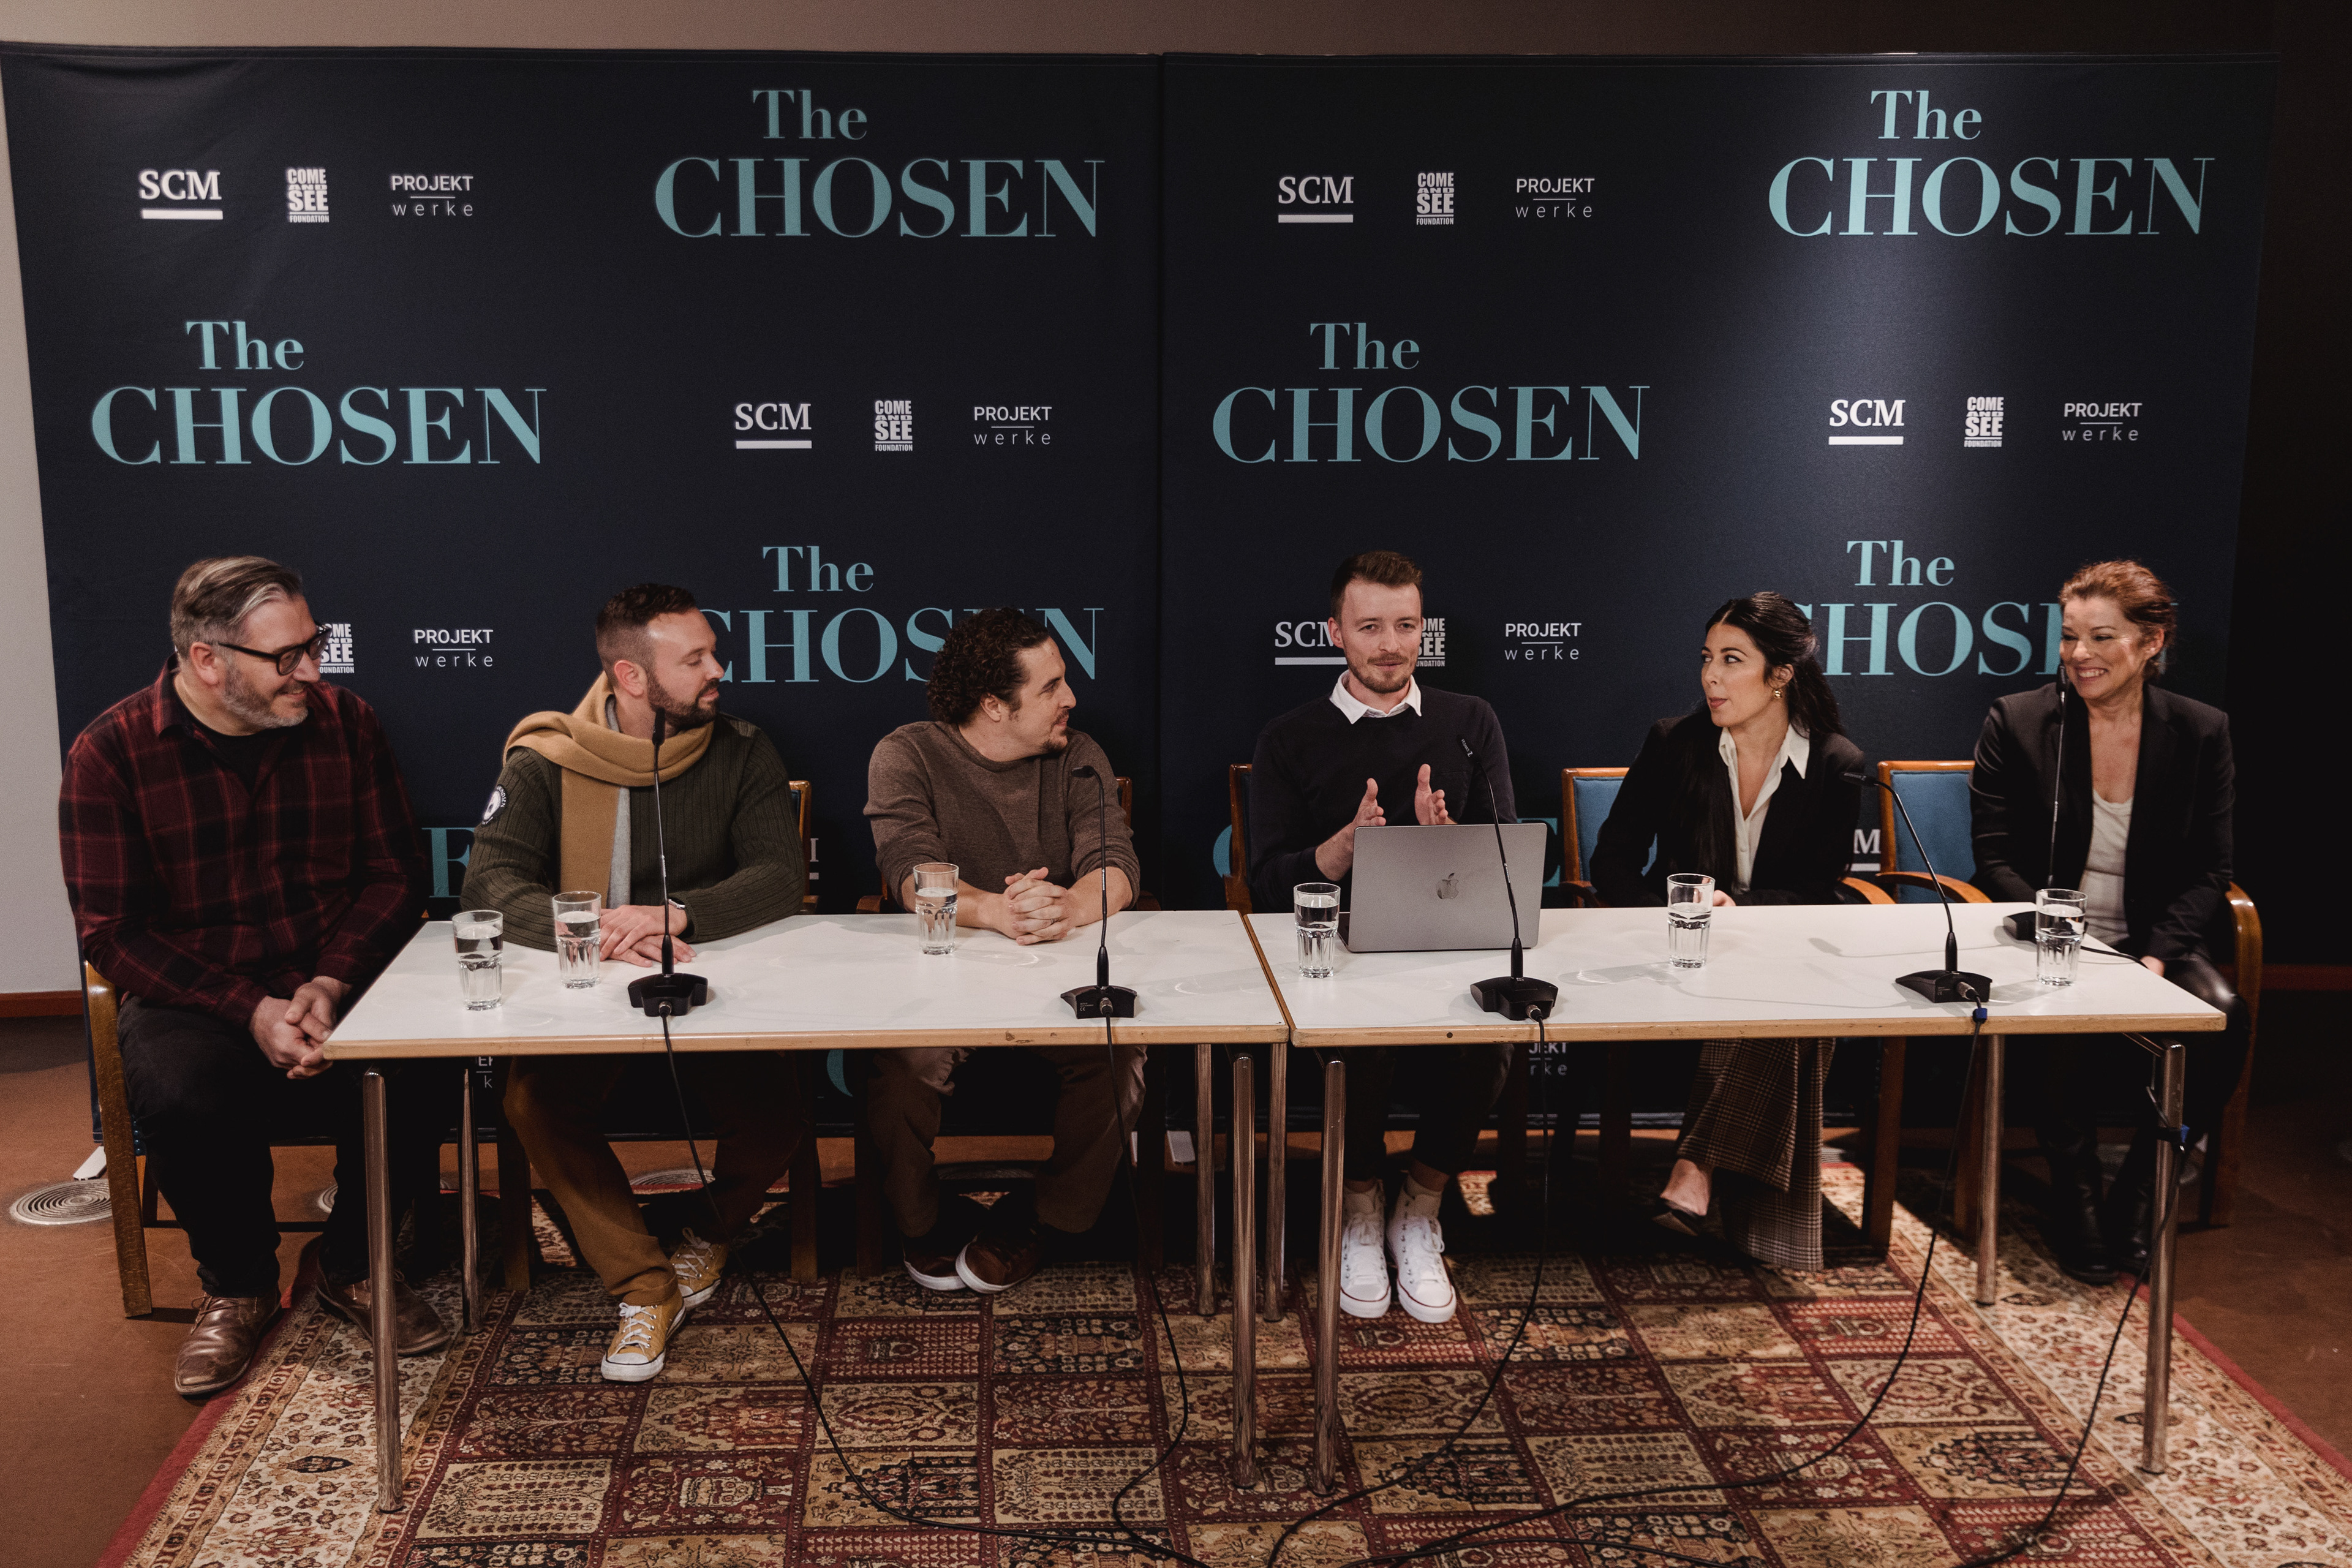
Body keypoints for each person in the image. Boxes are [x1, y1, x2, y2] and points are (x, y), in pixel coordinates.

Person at [59, 556, 445, 1396]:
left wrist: (330, 983)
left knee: (423, 1056)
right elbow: (114, 933)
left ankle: (354, 1265)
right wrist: (251, 1008)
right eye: (286, 657)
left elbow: (394, 876)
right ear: (208, 660)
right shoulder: (111, 754)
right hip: (199, 993)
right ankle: (237, 1286)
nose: (312, 670)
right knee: (181, 1087)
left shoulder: (347, 724)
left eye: (313, 645)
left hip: (336, 972)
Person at [463, 583, 810, 1381]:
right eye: (695, 660)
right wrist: (598, 931)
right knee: (532, 1103)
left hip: (703, 983)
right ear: (631, 676)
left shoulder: (742, 749)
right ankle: (644, 1284)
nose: (718, 670)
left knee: (778, 1111)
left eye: (713, 652)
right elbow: (490, 883)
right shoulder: (545, 759)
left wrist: (676, 914)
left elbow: (778, 874)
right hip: (589, 985)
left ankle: (701, 1231)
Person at [1247, 550, 1512, 1325]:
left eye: (1405, 625)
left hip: (1444, 952)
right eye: (1370, 627)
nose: (1391, 645)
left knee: (1492, 1037)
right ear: (1335, 632)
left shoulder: (1471, 722)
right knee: (1357, 1042)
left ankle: (1419, 1209)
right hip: (1332, 962)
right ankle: (1359, 1208)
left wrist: (1446, 845)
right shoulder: (1289, 738)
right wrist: (1343, 849)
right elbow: (1266, 885)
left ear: (1423, 629)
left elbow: (1508, 865)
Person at [1970, 559, 2245, 1285]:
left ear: (2151, 643)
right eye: (2069, 637)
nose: (2079, 654)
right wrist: (2065, 933)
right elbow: (1994, 857)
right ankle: (2078, 1198)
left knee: (2224, 1014)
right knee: (2065, 1014)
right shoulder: (2020, 721)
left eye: (2101, 637)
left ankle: (2141, 1193)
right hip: (2051, 937)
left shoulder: (2200, 731)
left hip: (2154, 940)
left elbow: (2212, 869)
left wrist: (2155, 955)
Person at [864, 606, 1144, 1294]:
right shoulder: (906, 753)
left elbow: (1115, 863)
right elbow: (909, 871)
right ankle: (921, 1222)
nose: (1070, 697)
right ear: (994, 704)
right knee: (902, 1064)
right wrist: (997, 910)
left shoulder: (1079, 754)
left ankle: (1048, 1218)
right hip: (944, 981)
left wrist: (1068, 906)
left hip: (1058, 973)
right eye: (1050, 687)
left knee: (1122, 1055)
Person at [1589, 592, 1864, 1272]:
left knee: (1788, 1004)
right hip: (1680, 956)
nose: (1711, 676)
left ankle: (1696, 1169)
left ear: (1781, 674)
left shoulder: (1836, 762)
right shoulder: (1675, 744)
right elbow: (1612, 860)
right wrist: (1667, 918)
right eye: (1707, 658)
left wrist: (1738, 908)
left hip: (1776, 958)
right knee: (1796, 1017)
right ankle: (1746, 1209)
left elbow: (1818, 891)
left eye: (1732, 660)